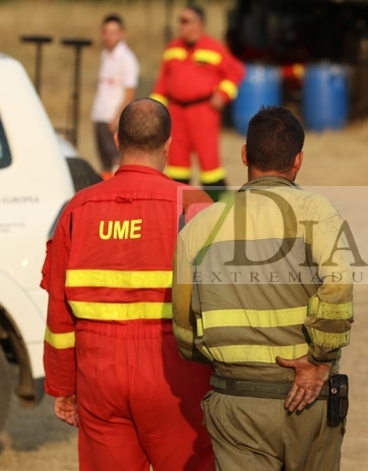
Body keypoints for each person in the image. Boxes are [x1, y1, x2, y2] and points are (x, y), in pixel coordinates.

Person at [172, 106, 354, 471]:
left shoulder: (200, 225)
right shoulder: (317, 211)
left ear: (244, 155)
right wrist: (317, 361)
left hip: (237, 402)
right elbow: (340, 288)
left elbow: (184, 329)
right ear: (298, 160)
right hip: (310, 398)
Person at [42, 99, 215, 471]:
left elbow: (59, 311)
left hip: (98, 373)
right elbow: (219, 303)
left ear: (118, 140)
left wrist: (63, 385)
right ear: (169, 144)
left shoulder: (76, 209)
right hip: (176, 374)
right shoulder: (195, 205)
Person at [149, 4, 245, 200]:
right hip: (176, 112)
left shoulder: (214, 48)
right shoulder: (172, 49)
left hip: (203, 112)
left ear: (199, 24)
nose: (180, 25)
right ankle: (177, 209)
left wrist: (223, 94)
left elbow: (236, 71)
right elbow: (162, 85)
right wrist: (151, 110)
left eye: (185, 21)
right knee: (176, 165)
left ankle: (221, 209)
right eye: (180, 21)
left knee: (210, 165)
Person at [90, 13, 139, 179]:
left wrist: (117, 118)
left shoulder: (127, 59)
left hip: (113, 120)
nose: (109, 36)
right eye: (106, 32)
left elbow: (130, 91)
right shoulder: (104, 55)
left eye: (113, 32)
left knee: (116, 162)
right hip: (100, 116)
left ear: (122, 34)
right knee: (104, 163)